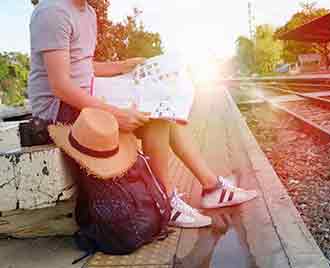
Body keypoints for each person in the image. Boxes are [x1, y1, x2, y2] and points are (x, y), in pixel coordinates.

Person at [29, 0, 257, 229]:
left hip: (84, 93)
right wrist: (116, 114)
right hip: (58, 108)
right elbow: (60, 86)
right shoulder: (53, 12)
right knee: (155, 115)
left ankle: (210, 187)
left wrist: (124, 65)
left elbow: (83, 66)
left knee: (163, 100)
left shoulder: (87, 12)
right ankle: (165, 201)